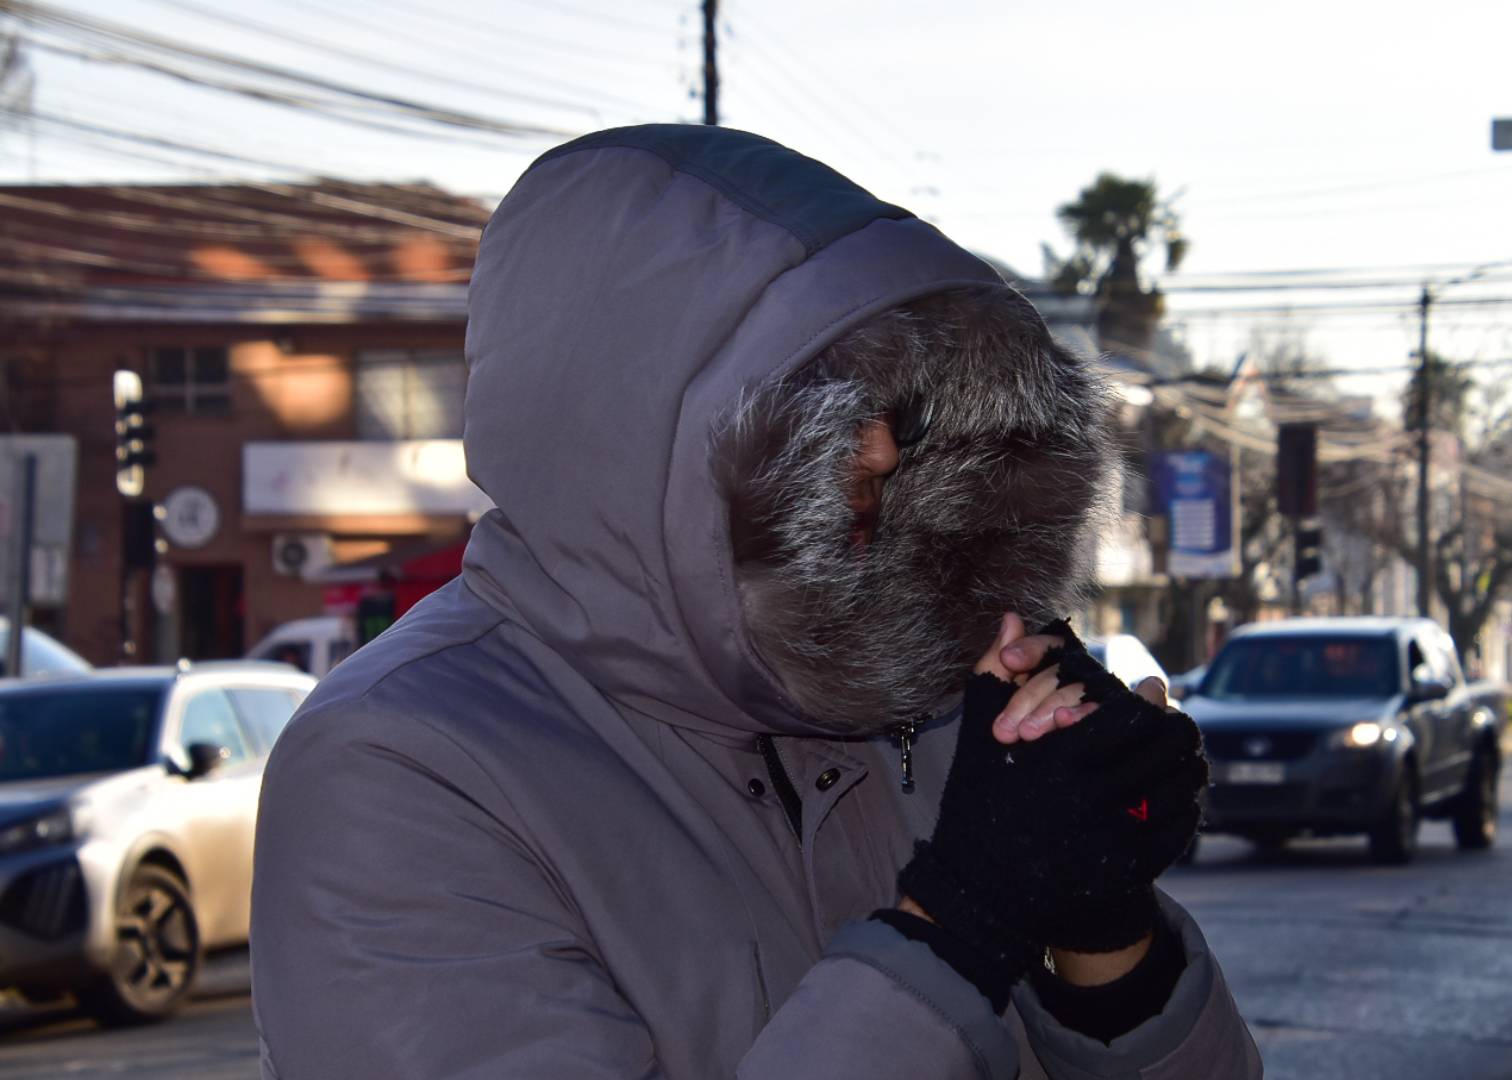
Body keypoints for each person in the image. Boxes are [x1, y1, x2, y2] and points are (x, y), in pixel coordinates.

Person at [251, 125, 1259, 1079]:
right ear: (627, 434)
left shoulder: (924, 696)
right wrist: (958, 924)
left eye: (897, 407)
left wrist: (1105, 934)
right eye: (822, 404)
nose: (880, 450)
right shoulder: (400, 770)